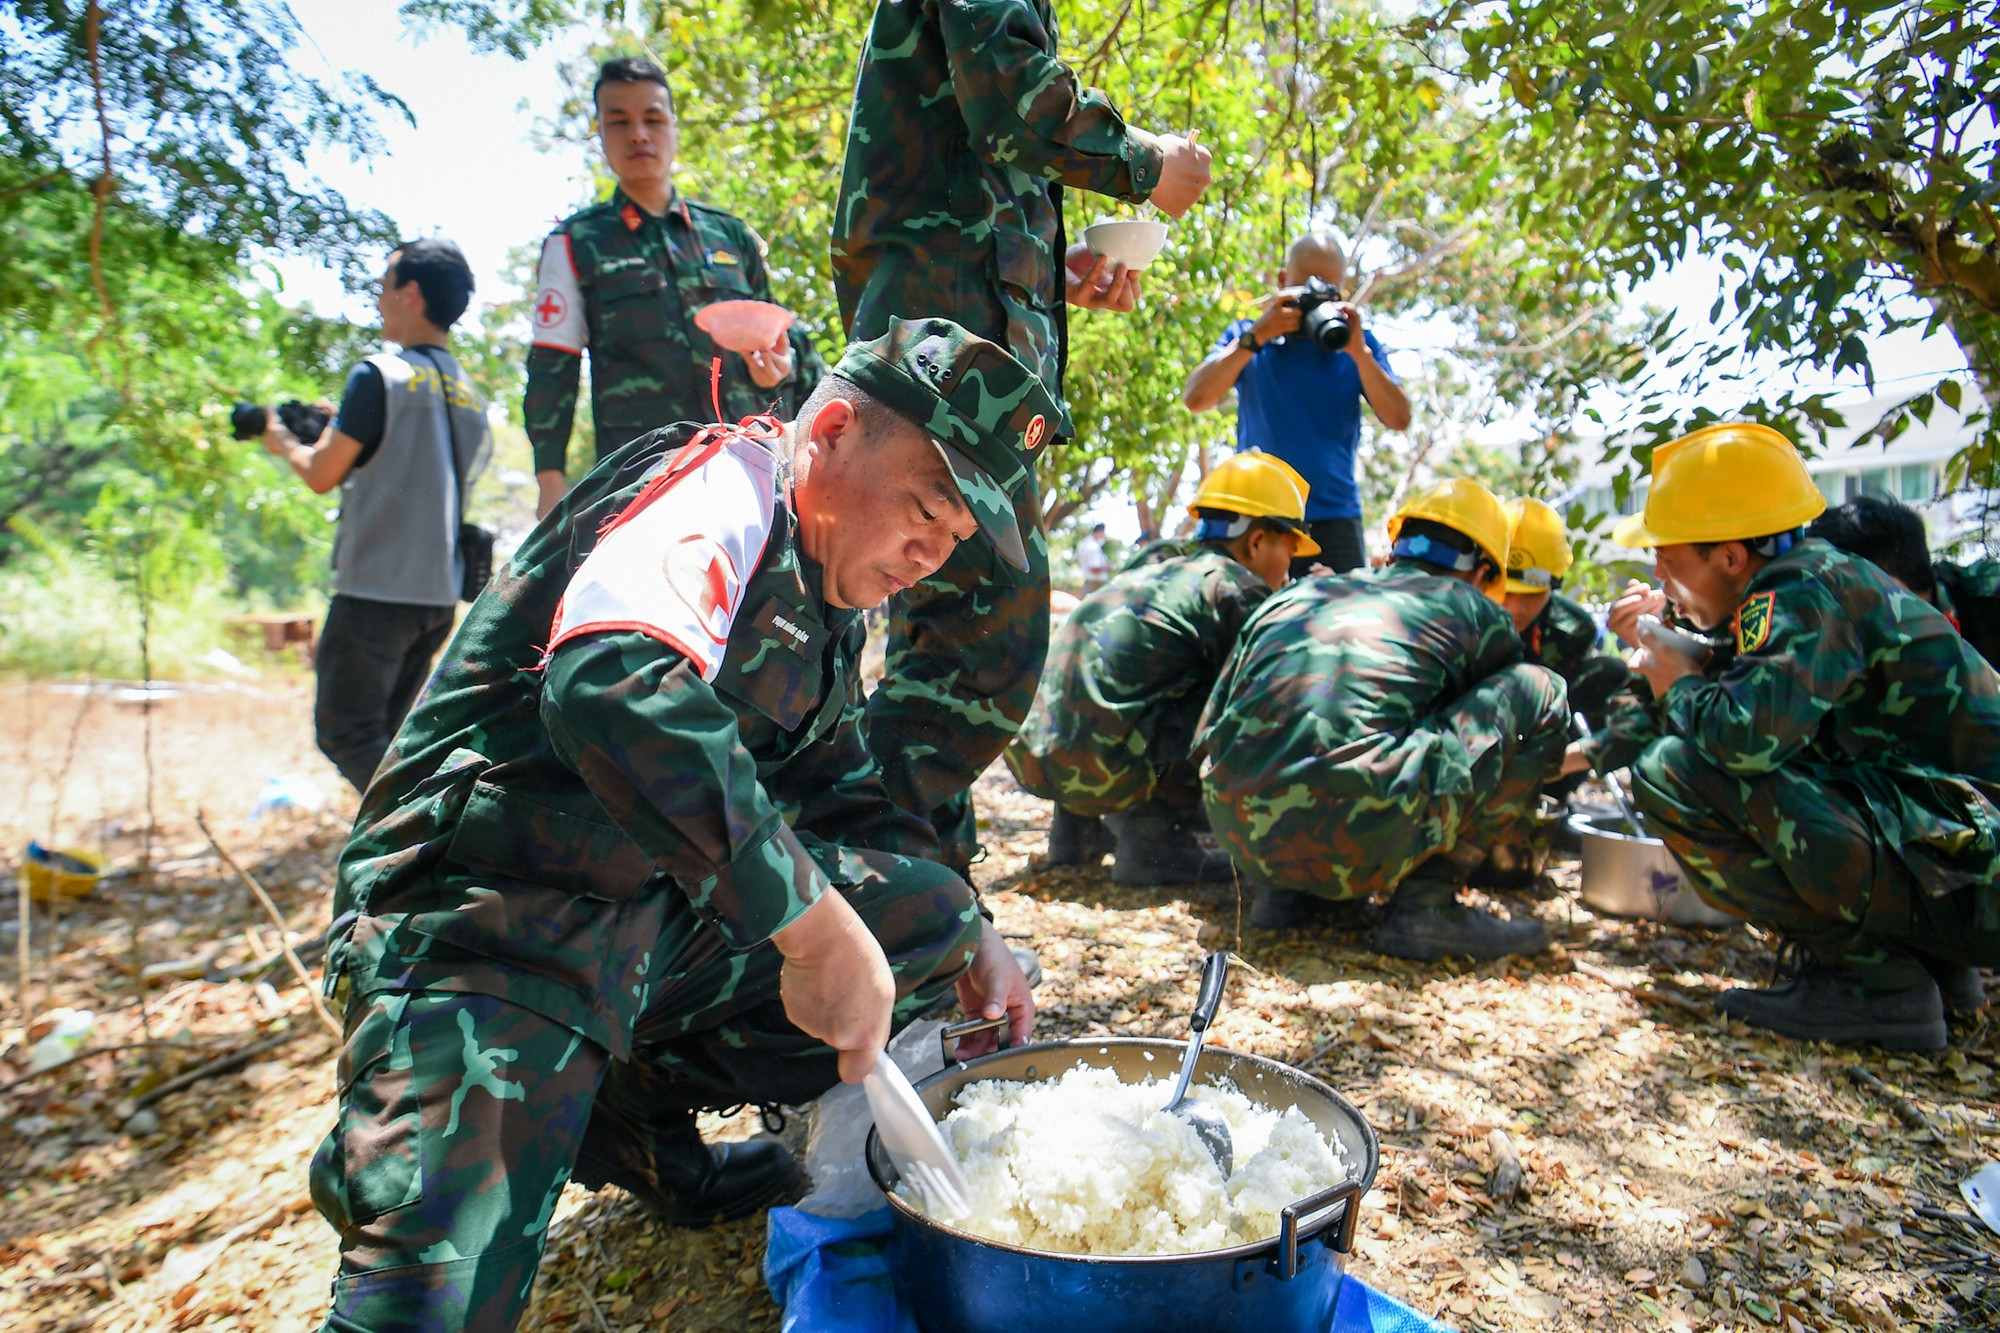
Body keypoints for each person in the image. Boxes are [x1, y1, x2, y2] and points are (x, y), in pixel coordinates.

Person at [309, 319, 1042, 1331]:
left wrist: (974, 926)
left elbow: (842, 789)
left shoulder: (823, 596)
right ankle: (448, 1110)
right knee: (437, 1296)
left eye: (953, 536)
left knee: (923, 913)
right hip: (484, 924)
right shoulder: (722, 488)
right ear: (825, 431)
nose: (930, 552)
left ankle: (620, 1101)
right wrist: (811, 927)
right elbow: (609, 679)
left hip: (635, 922)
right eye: (924, 507)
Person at [831, 0, 1214, 875]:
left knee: (943, 661)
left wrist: (1053, 276)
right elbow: (1014, 106)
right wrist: (1146, 163)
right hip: (941, 362)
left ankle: (925, 905)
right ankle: (840, 887)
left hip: (962, 344)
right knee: (980, 652)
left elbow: (973, 167)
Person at [1614, 424, 1999, 1048]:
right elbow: (1782, 701)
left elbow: (1744, 742)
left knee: (1673, 771)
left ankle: (1876, 985)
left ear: (1731, 557)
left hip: (1976, 867)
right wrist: (1685, 652)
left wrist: (1676, 682)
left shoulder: (1798, 588)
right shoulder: (1815, 578)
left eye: (1669, 553)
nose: (1658, 570)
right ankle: (1928, 965)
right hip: (1969, 865)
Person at [1197, 478, 1567, 958]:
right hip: (1357, 832)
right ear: (1482, 573)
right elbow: (1494, 727)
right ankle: (1425, 908)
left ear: (1395, 551)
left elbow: (1211, 727)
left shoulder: (1295, 596)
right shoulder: (1473, 610)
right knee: (1539, 688)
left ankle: (1285, 891)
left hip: (1240, 834)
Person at [525, 57, 827, 518]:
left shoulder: (731, 236)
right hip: (645, 478)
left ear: (674, 127)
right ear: (600, 135)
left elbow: (782, 345)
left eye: (653, 118)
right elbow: (553, 368)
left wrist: (779, 371)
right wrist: (550, 480)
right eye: (619, 121)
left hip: (753, 473)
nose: (639, 134)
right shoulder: (574, 243)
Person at [1006, 454, 1317, 884]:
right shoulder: (1234, 587)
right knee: (1243, 698)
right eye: (1292, 549)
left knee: (1132, 683)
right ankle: (1154, 842)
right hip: (1100, 768)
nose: (1292, 566)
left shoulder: (1156, 566)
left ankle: (1074, 834)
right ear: (1258, 541)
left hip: (1033, 756)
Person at [261, 238, 490, 794]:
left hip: (376, 592)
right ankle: (406, 859)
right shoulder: (470, 394)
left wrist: (278, 438)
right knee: (389, 736)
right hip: (436, 596)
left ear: (410, 294)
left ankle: (431, 841)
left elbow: (321, 474)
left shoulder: (379, 375)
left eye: (384, 287)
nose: (379, 299)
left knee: (347, 733)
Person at [1181, 232, 1412, 578]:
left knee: (1341, 626)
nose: (1316, 299)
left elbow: (1399, 418)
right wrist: (1256, 337)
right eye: (1307, 287)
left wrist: (1360, 354)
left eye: (1327, 291)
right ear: (1283, 282)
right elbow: (1196, 398)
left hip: (1334, 518)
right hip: (1257, 518)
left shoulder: (1357, 347)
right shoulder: (1248, 336)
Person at [1502, 497, 1654, 780]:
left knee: (1610, 671)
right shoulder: (1461, 622)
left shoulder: (1572, 629)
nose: (1516, 606)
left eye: (1530, 594)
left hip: (1545, 743)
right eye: (1506, 591)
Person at [1807, 493, 2000, 668]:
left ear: (1890, 588)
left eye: (1838, 593)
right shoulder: (1835, 649)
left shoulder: (1988, 601)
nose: (1831, 609)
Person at [1076, 521, 1112, 593]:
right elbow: (1094, 569)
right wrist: (1108, 567)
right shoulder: (1093, 547)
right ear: (1100, 532)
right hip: (1096, 584)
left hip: (1089, 583)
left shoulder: (1083, 544)